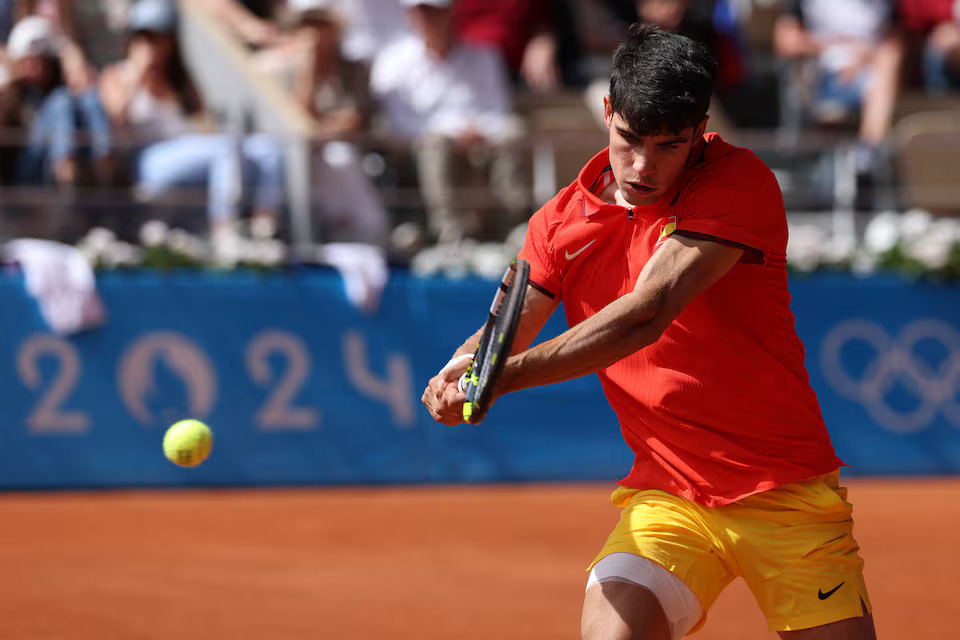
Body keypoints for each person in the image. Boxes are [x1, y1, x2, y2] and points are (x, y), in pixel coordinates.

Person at [422, 23, 876, 640]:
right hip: (667, 498)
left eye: (670, 146)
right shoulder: (557, 224)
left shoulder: (738, 183)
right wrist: (458, 371)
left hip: (783, 492)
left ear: (700, 129)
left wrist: (499, 379)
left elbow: (647, 311)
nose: (643, 166)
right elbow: (503, 330)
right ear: (608, 111)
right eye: (630, 138)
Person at [98, 0, 286, 252]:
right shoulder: (117, 75)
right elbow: (115, 119)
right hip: (146, 165)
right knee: (225, 147)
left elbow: (204, 127)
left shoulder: (182, 83)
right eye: (145, 36)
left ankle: (264, 230)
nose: (152, 45)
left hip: (190, 158)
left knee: (268, 148)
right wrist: (137, 72)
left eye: (159, 37)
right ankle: (224, 231)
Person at [369, 0, 528, 245]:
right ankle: (453, 235)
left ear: (452, 14)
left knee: (512, 133)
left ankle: (513, 227)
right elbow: (397, 124)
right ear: (410, 16)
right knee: (436, 143)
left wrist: (476, 132)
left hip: (480, 144)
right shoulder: (392, 61)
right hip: (417, 153)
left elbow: (499, 110)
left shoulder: (485, 56)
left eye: (436, 11)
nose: (430, 19)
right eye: (423, 11)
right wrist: (453, 133)